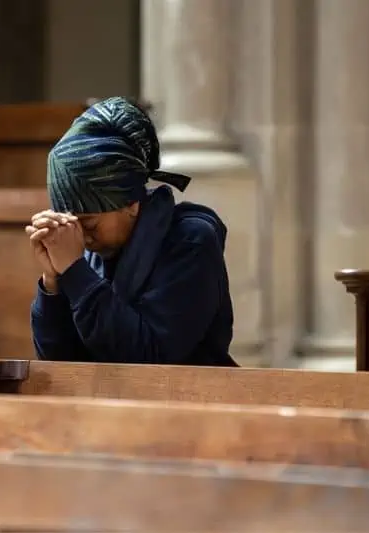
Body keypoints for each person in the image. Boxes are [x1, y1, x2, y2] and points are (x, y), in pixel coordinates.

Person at [26, 97, 238, 367]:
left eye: (89, 224)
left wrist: (76, 273)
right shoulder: (90, 253)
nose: (81, 237)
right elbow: (61, 363)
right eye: (71, 223)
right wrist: (53, 284)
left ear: (131, 203)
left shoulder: (190, 240)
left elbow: (148, 358)